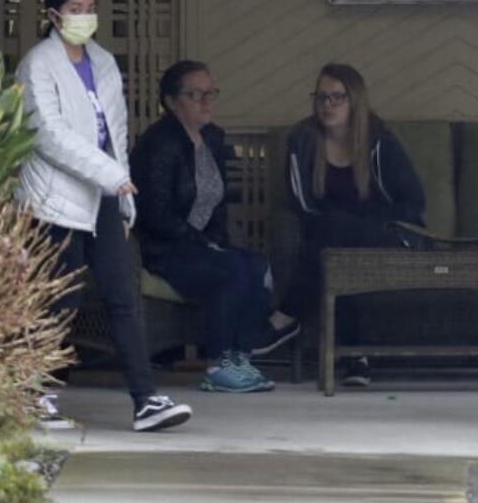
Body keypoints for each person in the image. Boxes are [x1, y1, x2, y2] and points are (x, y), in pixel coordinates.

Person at [15, 0, 192, 432]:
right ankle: (34, 396)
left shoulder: (104, 63)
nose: (84, 16)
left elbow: (115, 132)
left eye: (89, 7)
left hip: (104, 196)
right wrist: (113, 177)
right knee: (58, 299)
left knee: (123, 297)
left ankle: (146, 400)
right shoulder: (38, 64)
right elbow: (49, 136)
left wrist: (123, 189)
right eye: (75, 8)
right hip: (54, 199)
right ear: (53, 14)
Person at [131, 60, 300, 393]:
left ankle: (240, 358)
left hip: (201, 245)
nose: (206, 101)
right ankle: (219, 364)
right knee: (231, 270)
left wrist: (216, 243)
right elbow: (153, 213)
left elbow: (219, 204)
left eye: (211, 93)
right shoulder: (159, 144)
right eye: (195, 94)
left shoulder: (213, 138)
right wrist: (202, 243)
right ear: (170, 101)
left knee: (255, 265)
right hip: (165, 249)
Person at [281, 63, 427, 388]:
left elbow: (413, 202)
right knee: (333, 250)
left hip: (387, 235)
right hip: (329, 240)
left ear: (355, 101)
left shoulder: (379, 140)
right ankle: (355, 359)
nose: (328, 105)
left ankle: (288, 314)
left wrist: (356, 222)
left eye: (337, 97)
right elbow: (300, 204)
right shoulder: (302, 141)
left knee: (332, 234)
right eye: (321, 97)